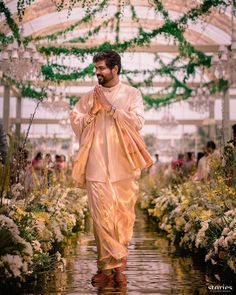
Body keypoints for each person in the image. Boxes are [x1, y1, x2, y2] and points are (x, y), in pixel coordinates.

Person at [70, 50, 153, 283]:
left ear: (115, 69)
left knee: (122, 218)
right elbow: (76, 119)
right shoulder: (89, 96)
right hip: (96, 165)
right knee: (100, 219)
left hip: (124, 166)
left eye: (101, 68)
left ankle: (119, 267)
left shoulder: (131, 94)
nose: (97, 72)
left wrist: (111, 108)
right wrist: (91, 114)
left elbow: (138, 122)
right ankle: (106, 269)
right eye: (96, 68)